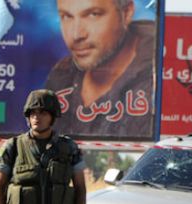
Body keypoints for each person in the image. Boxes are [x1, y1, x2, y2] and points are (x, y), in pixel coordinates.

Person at [45, 0, 155, 139]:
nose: (76, 35)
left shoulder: (157, 75)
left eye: (93, 14)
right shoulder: (60, 78)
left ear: (126, 13)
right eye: (66, 16)